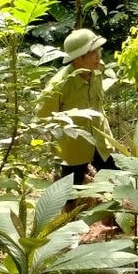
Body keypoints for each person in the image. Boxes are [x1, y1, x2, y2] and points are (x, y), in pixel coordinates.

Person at [38, 28, 116, 187]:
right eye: (93, 52)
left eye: (98, 51)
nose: (98, 56)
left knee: (116, 183)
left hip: (101, 142)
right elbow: (43, 115)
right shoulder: (59, 84)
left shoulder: (97, 70)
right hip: (74, 150)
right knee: (70, 195)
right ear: (78, 58)